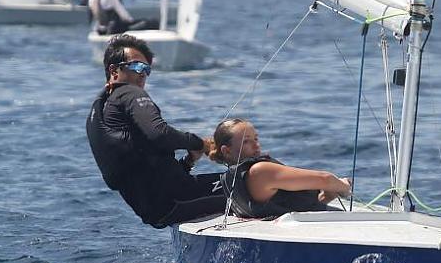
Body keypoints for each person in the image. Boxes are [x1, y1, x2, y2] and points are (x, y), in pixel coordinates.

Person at [86, 35, 226, 228]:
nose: (143, 74)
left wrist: (189, 161)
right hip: (174, 198)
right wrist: (200, 143)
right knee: (250, 180)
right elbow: (159, 133)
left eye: (147, 69)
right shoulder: (129, 93)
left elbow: (145, 166)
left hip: (157, 208)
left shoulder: (105, 108)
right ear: (114, 70)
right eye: (137, 66)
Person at [206, 118, 352, 219]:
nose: (256, 145)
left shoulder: (233, 180)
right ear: (226, 150)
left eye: (256, 139)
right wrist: (343, 186)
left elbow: (284, 206)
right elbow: (325, 179)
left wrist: (326, 197)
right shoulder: (260, 171)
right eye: (246, 141)